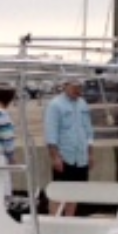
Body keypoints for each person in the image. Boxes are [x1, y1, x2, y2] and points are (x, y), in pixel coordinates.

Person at [43, 80, 94, 215]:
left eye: (80, 87)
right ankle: (54, 221)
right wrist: (55, 157)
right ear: (65, 86)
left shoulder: (83, 104)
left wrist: (90, 154)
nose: (78, 90)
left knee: (75, 192)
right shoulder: (55, 105)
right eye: (75, 87)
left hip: (81, 156)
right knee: (58, 193)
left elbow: (88, 130)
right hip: (65, 156)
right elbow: (51, 133)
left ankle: (69, 219)